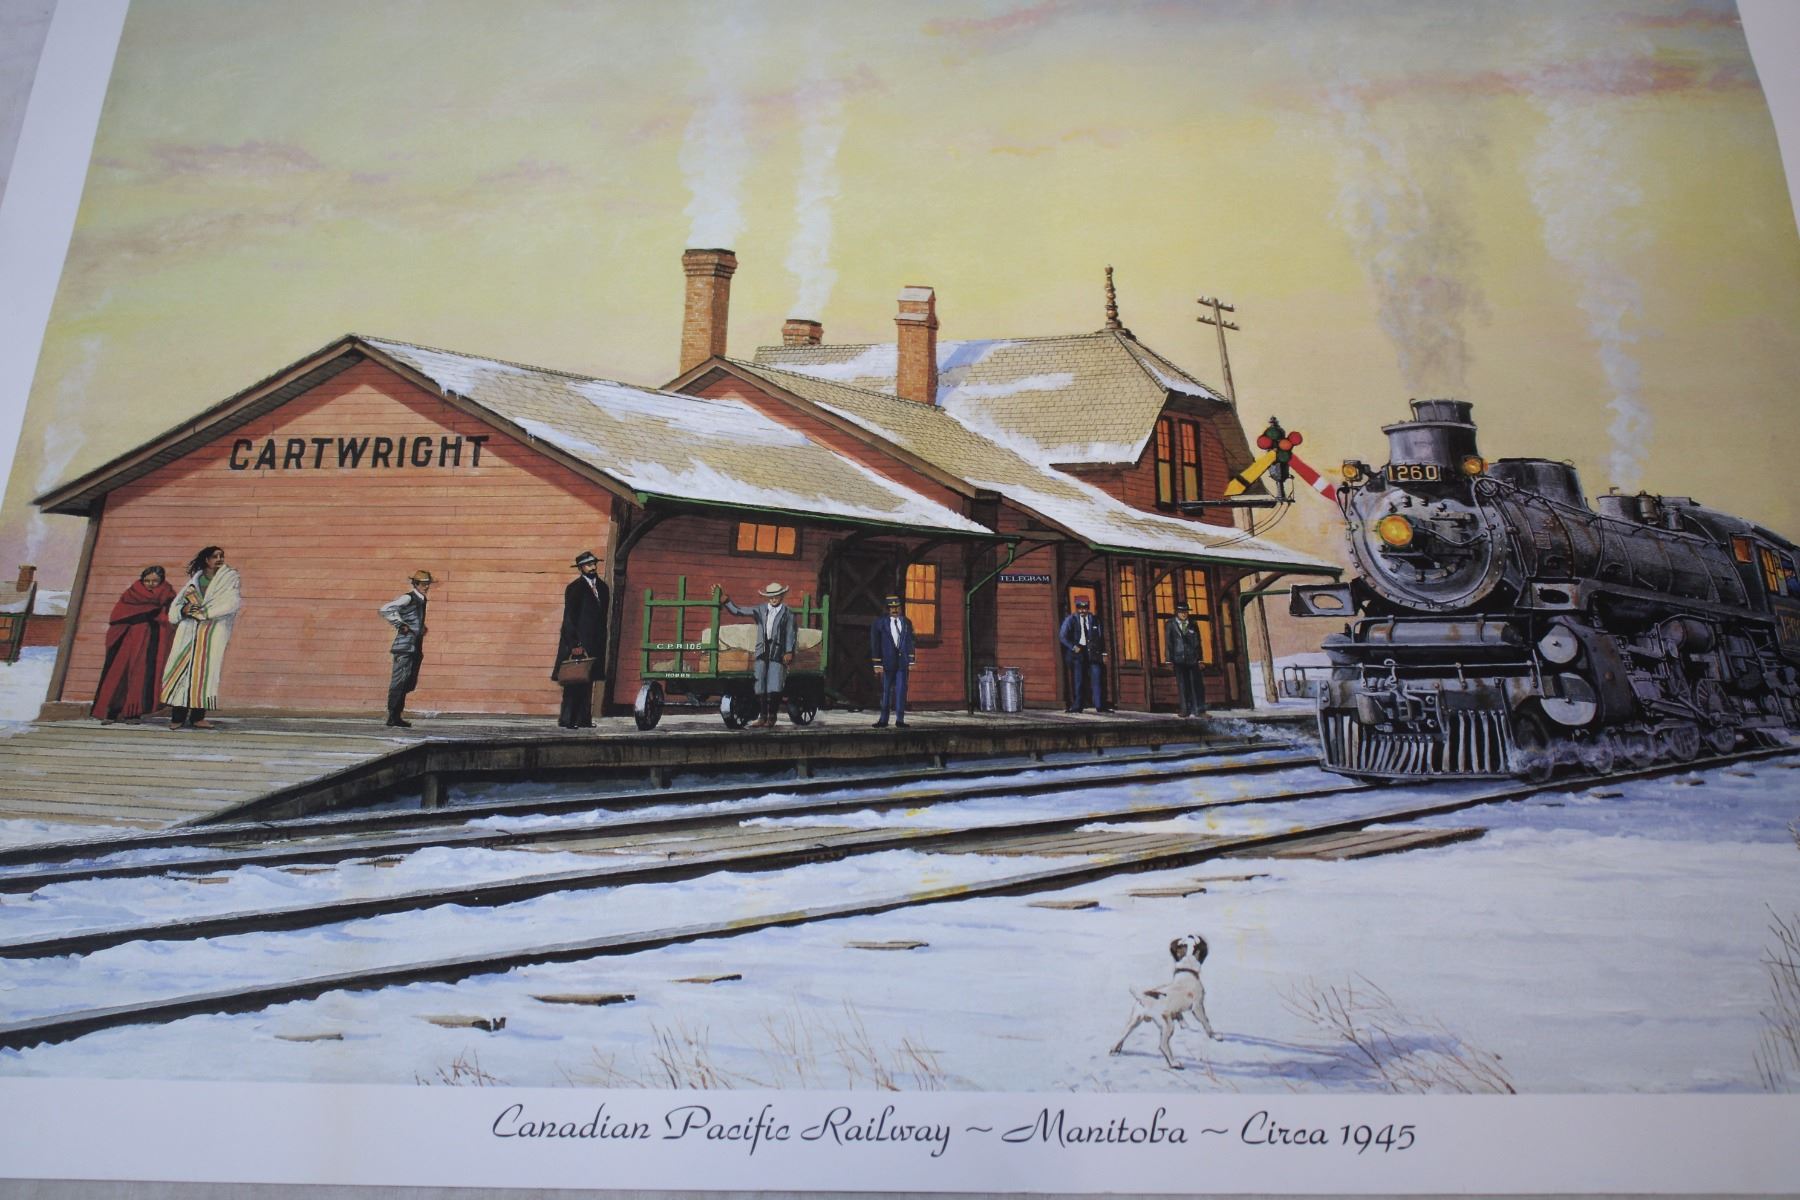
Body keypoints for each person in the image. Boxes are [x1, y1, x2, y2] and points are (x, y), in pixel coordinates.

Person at [159, 545, 242, 729]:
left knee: (205, 673)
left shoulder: (230, 578)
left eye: (221, 556)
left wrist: (205, 613)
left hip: (212, 631)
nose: (219, 559)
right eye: (215, 556)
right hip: (189, 630)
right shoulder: (196, 579)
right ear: (206, 559)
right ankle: (177, 717)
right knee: (181, 671)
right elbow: (177, 606)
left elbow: (232, 602)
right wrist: (184, 610)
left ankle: (198, 717)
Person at [92, 565, 178, 724]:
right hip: (127, 641)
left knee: (141, 676)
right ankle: (112, 712)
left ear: (161, 581)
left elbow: (171, 618)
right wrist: (146, 616)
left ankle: (133, 714)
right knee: (119, 674)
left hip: (151, 642)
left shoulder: (168, 596)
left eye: (155, 581)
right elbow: (117, 616)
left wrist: (158, 619)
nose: (150, 584)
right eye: (147, 580)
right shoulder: (132, 594)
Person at [725, 581, 796, 729]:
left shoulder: (787, 613)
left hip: (778, 651)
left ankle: (772, 717)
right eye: (771, 596)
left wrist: (789, 651)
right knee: (759, 684)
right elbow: (739, 611)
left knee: (774, 685)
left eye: (776, 596)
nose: (773, 599)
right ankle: (762, 717)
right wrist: (727, 602)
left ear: (782, 596)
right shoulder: (761, 609)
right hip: (762, 650)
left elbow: (790, 633)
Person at [555, 550, 609, 729]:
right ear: (580, 568)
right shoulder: (575, 588)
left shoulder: (603, 588)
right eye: (588, 565)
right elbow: (569, 619)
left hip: (595, 643)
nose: (592, 567)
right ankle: (568, 720)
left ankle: (583, 720)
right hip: (577, 643)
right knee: (573, 681)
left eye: (594, 564)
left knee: (588, 680)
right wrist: (574, 644)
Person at [378, 569, 434, 728]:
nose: (426, 586)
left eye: (427, 584)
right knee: (399, 681)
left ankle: (396, 715)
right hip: (404, 647)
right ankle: (393, 716)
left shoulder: (422, 599)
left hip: (414, 647)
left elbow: (413, 618)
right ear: (415, 584)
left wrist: (420, 627)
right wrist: (400, 624)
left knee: (409, 682)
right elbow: (385, 609)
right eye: (423, 584)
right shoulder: (408, 597)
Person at [869, 593, 916, 728]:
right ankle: (883, 719)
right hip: (886, 662)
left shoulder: (906, 623)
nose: (895, 610)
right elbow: (875, 644)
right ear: (887, 608)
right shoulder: (879, 623)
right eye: (892, 608)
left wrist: (911, 660)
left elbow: (910, 642)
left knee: (901, 691)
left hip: (902, 663)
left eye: (897, 607)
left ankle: (900, 720)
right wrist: (877, 663)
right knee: (886, 691)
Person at [1058, 596, 1109, 713]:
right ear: (1076, 608)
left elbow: (1101, 638)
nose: (1082, 610)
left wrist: (1104, 653)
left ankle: (1100, 706)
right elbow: (1062, 636)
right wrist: (1073, 647)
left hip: (1093, 653)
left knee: (1097, 678)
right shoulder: (1071, 619)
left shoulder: (1095, 620)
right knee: (1079, 680)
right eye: (1080, 608)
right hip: (1078, 653)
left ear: (1088, 607)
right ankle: (1077, 706)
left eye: (1085, 608)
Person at [1165, 597, 1205, 718]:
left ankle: (1198, 710)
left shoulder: (1193, 624)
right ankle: (1184, 710)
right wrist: (1168, 660)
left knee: (1195, 685)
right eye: (1181, 612)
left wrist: (1200, 659)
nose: (1184, 614)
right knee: (1182, 685)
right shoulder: (1170, 624)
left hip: (1192, 659)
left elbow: (1198, 642)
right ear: (1177, 612)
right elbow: (1168, 643)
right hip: (1178, 659)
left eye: (1186, 612)